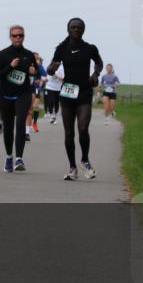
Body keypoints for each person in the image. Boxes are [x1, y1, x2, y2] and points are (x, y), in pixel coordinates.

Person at [48, 18, 104, 180]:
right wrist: (52, 68)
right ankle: (72, 167)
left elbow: (98, 62)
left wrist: (95, 74)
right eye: (73, 27)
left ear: (83, 30)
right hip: (67, 92)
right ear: (68, 30)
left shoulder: (89, 48)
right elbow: (51, 68)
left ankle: (85, 160)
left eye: (79, 27)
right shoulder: (61, 48)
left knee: (83, 128)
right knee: (68, 132)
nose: (76, 30)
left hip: (84, 91)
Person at [0, 25, 38, 173]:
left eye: (20, 35)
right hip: (5, 95)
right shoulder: (4, 54)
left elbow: (36, 71)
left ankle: (19, 159)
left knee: (20, 123)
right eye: (15, 35)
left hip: (23, 94)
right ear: (10, 37)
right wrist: (10, 66)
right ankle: (9, 156)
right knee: (8, 127)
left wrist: (33, 71)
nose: (18, 38)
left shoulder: (28, 54)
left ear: (24, 36)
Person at [25, 53, 48, 139]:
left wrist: (38, 65)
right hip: (22, 89)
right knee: (23, 110)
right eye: (33, 58)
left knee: (32, 108)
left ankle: (28, 131)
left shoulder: (38, 66)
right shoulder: (25, 64)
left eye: (36, 58)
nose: (35, 60)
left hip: (34, 89)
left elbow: (45, 74)